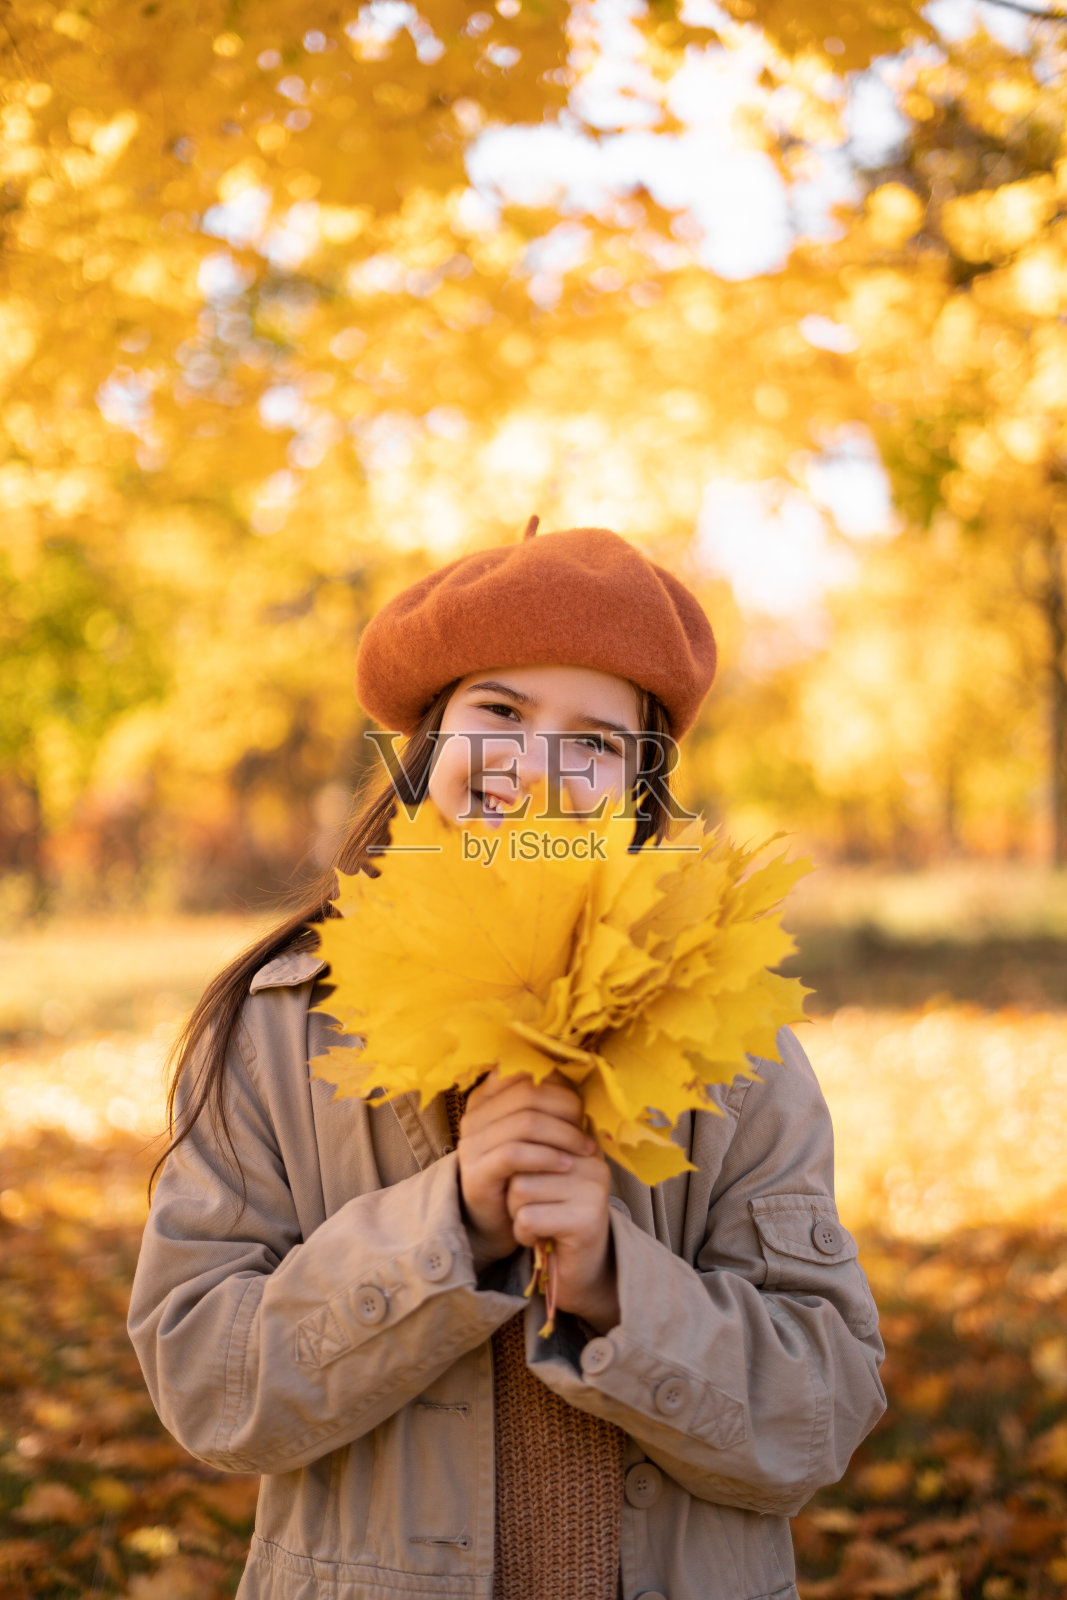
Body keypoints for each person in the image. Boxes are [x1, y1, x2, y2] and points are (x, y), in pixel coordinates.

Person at [128, 519, 887, 1600]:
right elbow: (206, 1388)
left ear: (638, 786)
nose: (532, 770)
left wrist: (615, 1286)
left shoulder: (734, 1049)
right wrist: (448, 1230)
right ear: (426, 743)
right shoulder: (282, 1028)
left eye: (595, 742)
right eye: (498, 713)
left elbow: (819, 1418)